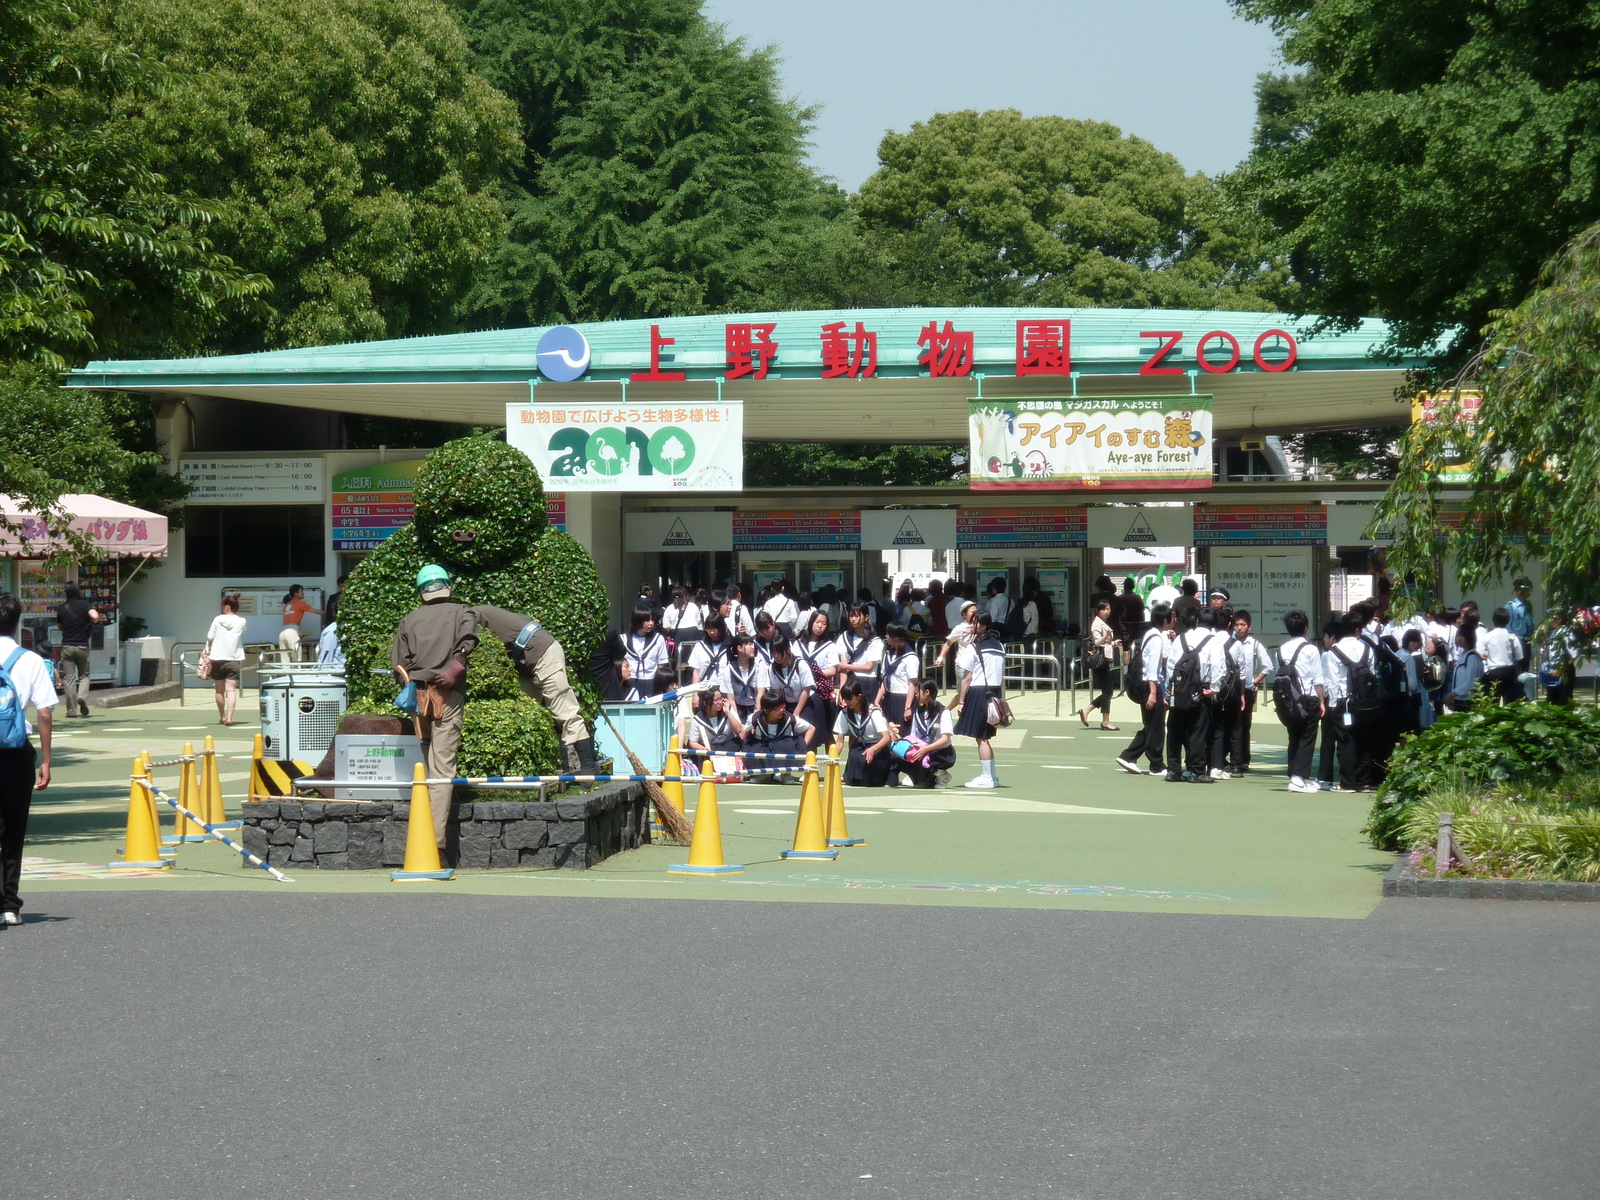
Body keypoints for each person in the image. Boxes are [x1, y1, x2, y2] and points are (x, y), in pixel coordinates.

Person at [391, 566, 479, 852]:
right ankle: (434, 844)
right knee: (442, 769)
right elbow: (468, 639)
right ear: (448, 588)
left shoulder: (409, 620)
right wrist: (456, 664)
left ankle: (421, 831)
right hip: (448, 694)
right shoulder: (461, 611)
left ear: (421, 593)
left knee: (426, 762)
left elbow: (398, 666)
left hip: (417, 696)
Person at [470, 603, 604, 772]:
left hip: (544, 652)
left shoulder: (470, 616)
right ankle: (533, 765)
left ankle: (587, 765)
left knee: (563, 707)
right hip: (525, 662)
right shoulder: (478, 613)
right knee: (523, 711)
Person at [0, 591, 56, 928]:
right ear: (18, 622)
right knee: (14, 828)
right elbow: (45, 713)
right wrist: (46, 760)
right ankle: (10, 905)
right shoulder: (30, 660)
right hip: (17, 752)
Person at [1163, 606, 1222, 784]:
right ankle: (1197, 770)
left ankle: (1173, 770)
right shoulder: (1214, 640)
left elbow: (1171, 666)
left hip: (1178, 689)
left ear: (1197, 621)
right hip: (1201, 689)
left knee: (1174, 729)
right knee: (1198, 731)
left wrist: (1169, 690)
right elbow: (1218, 665)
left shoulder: (1181, 637)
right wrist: (1215, 688)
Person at [1117, 602, 1174, 777]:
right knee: (1156, 726)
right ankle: (1156, 764)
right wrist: (1154, 692)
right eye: (1172, 617)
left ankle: (1129, 756)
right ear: (1166, 620)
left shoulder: (1151, 634)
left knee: (1151, 725)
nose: (1174, 620)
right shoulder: (1157, 639)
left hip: (1145, 685)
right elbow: (1153, 668)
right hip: (1150, 686)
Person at [954, 609, 1006, 789]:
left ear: (983, 626)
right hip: (995, 692)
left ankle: (986, 777)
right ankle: (992, 776)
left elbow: (967, 677)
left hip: (978, 692)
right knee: (985, 735)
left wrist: (961, 701)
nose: (971, 626)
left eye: (975, 623)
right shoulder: (999, 645)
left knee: (980, 737)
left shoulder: (974, 647)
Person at [1277, 610, 1327, 794]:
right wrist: (1322, 701)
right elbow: (1317, 679)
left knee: (1294, 737)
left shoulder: (1281, 650)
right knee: (1307, 738)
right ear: (1306, 628)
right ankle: (1298, 778)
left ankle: (1293, 775)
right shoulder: (1311, 649)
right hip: (1308, 698)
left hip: (1289, 699)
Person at [1222, 610, 1274, 775]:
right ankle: (1226, 757)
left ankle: (1243, 760)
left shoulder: (1254, 644)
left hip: (1247, 689)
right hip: (1230, 689)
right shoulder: (1228, 643)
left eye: (1243, 625)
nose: (1239, 628)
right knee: (1228, 724)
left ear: (1249, 626)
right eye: (1237, 625)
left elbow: (1268, 666)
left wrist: (1255, 681)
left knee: (1244, 726)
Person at [894, 679, 957, 789]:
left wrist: (926, 748)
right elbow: (914, 735)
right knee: (898, 757)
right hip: (921, 751)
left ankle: (942, 775)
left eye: (917, 692)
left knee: (926, 775)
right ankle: (917, 775)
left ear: (927, 692)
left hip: (940, 752)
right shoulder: (918, 712)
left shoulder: (944, 712)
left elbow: (945, 739)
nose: (916, 695)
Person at [743, 687, 815, 781]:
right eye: (777, 708)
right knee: (753, 746)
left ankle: (785, 774)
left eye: (783, 706)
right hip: (763, 744)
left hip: (783, 746)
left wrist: (803, 746)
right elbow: (744, 732)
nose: (782, 710)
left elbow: (811, 728)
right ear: (766, 710)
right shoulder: (754, 718)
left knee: (786, 744)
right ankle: (764, 774)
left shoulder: (790, 718)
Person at [833, 680, 893, 787]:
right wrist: (832, 758)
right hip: (861, 746)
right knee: (855, 756)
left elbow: (886, 738)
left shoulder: (873, 711)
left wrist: (873, 749)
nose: (846, 702)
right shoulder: (844, 714)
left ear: (859, 696)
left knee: (870, 773)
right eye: (844, 699)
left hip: (878, 746)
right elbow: (840, 742)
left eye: (849, 699)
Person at [54, 582, 99, 719]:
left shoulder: (61, 608)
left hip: (67, 646)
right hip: (82, 646)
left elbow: (60, 627)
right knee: (84, 675)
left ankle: (71, 710)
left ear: (66, 593)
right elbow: (95, 616)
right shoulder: (85, 604)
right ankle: (82, 697)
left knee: (69, 678)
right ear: (78, 591)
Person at [204, 593, 248, 725]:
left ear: (227, 606)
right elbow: (243, 632)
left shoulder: (217, 620)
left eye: (223, 605)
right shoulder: (241, 621)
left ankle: (222, 716)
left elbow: (210, 637)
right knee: (231, 690)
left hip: (217, 658)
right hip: (234, 659)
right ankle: (230, 717)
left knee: (219, 690)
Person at [1077, 598, 1121, 730]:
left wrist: (1113, 643)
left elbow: (1104, 642)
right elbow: (1097, 643)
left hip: (1103, 659)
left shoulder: (1101, 622)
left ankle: (1087, 711)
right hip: (1100, 660)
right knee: (1108, 691)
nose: (1106, 612)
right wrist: (1106, 635)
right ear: (1097, 611)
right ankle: (1105, 721)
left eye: (1108, 609)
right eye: (1103, 609)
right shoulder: (1097, 624)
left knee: (1108, 691)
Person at [795, 610, 840, 734]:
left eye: (824, 624)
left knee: (824, 732)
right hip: (800, 691)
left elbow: (833, 669)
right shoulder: (798, 643)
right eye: (817, 622)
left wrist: (815, 673)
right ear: (811, 622)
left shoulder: (830, 645)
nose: (820, 626)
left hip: (820, 692)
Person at [1317, 620, 1349, 791]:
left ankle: (1325, 778)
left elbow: (1329, 680)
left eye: (1325, 636)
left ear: (1333, 637)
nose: (1324, 640)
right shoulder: (1353, 650)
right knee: (1346, 741)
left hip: (1333, 701)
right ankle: (1349, 779)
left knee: (1328, 740)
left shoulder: (1328, 655)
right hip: (1350, 700)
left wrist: (1326, 702)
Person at [876, 622, 920, 733]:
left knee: (902, 734)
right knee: (888, 732)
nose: (886, 636)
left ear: (896, 638)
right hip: (889, 699)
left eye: (888, 634)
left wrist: (907, 707)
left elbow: (912, 684)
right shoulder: (888, 654)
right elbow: (885, 679)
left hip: (903, 699)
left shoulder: (910, 657)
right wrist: (877, 700)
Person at [835, 603, 884, 699]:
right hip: (850, 682)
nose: (853, 619)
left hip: (868, 682)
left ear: (866, 617)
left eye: (857, 616)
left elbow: (869, 667)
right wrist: (842, 690)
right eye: (851, 616)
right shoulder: (844, 637)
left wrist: (846, 666)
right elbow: (843, 668)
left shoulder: (875, 641)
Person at [622, 606, 670, 701]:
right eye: (647, 620)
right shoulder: (624, 639)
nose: (651, 623)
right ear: (637, 621)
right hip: (630, 681)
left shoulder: (658, 639)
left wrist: (658, 683)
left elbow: (661, 664)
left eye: (652, 620)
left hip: (651, 681)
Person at [722, 634, 770, 723]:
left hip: (758, 708)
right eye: (749, 644)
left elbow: (761, 693)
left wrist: (754, 718)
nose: (753, 647)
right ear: (739, 648)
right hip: (738, 709)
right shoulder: (728, 669)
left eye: (753, 644)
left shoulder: (759, 665)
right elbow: (731, 699)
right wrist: (738, 722)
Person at [1480, 607, 1523, 703]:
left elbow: (1481, 655)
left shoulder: (1487, 637)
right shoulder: (1512, 637)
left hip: (1493, 673)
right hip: (1509, 672)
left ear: (1494, 619)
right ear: (1508, 620)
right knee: (1511, 703)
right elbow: (1520, 657)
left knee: (1492, 702)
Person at [1444, 627, 1485, 712]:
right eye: (1458, 636)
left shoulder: (1472, 658)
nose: (1459, 639)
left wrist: (1452, 695)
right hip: (1460, 699)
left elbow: (1471, 682)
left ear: (1470, 637)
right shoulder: (1463, 655)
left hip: (1469, 700)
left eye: (1462, 636)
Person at [279, 584, 322, 661]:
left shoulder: (287, 604)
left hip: (282, 632)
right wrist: (328, 613)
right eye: (301, 591)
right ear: (296, 593)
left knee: (285, 659)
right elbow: (315, 611)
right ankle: (297, 672)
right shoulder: (300, 603)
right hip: (292, 631)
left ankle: (285, 672)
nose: (303, 593)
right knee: (296, 657)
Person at [687, 614, 730, 684]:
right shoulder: (700, 646)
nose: (712, 633)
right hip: (705, 688)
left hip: (724, 688)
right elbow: (696, 671)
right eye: (709, 630)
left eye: (715, 630)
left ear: (721, 629)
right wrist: (695, 692)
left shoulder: (729, 646)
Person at [1506, 578, 1535, 671]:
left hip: (1527, 641)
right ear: (1516, 592)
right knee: (1516, 669)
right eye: (1522, 591)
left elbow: (1531, 624)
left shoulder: (1528, 606)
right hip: (1516, 641)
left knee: (1525, 671)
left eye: (1526, 590)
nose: (1524, 593)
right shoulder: (1511, 606)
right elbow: (1507, 627)